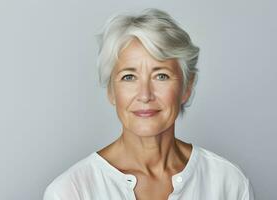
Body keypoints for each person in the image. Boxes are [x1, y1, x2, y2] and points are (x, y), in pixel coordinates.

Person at [43, 8, 254, 200]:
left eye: (161, 76)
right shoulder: (71, 191)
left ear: (186, 88)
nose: (145, 95)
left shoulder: (229, 183)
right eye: (129, 77)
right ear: (111, 92)